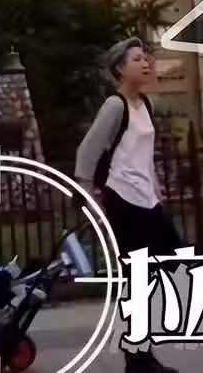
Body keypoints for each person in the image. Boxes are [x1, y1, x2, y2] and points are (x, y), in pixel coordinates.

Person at [75, 37, 181, 373]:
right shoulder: (115, 105)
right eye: (137, 59)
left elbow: (142, 155)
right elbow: (87, 151)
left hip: (147, 200)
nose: (146, 63)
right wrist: (86, 192)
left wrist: (156, 188)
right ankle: (138, 359)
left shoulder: (144, 104)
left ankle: (140, 354)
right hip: (123, 200)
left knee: (168, 264)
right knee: (139, 279)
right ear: (120, 69)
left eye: (146, 58)